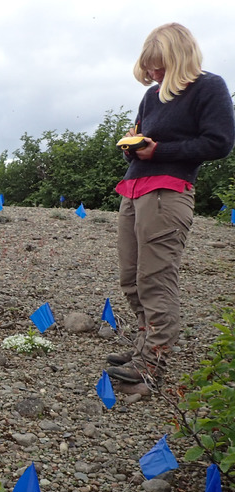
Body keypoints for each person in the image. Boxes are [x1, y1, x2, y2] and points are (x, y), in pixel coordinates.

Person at [107, 23, 234, 387]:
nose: (152, 74)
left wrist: (160, 150)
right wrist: (134, 143)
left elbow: (219, 142)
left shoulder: (209, 87)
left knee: (156, 277)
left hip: (169, 191)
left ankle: (152, 362)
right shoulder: (151, 96)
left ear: (179, 57)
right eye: (149, 68)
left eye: (158, 66)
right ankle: (144, 342)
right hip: (133, 189)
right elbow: (144, 138)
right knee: (130, 277)